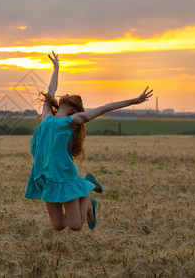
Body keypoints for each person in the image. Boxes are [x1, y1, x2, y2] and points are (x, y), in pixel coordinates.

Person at [24, 51, 153, 231]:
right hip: (47, 176)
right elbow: (51, 89)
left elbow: (105, 107)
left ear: (74, 109)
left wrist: (134, 101)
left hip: (64, 176)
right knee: (59, 226)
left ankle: (89, 196)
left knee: (75, 226)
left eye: (71, 95)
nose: (66, 93)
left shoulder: (72, 121)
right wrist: (56, 67)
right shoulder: (47, 116)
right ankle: (87, 190)